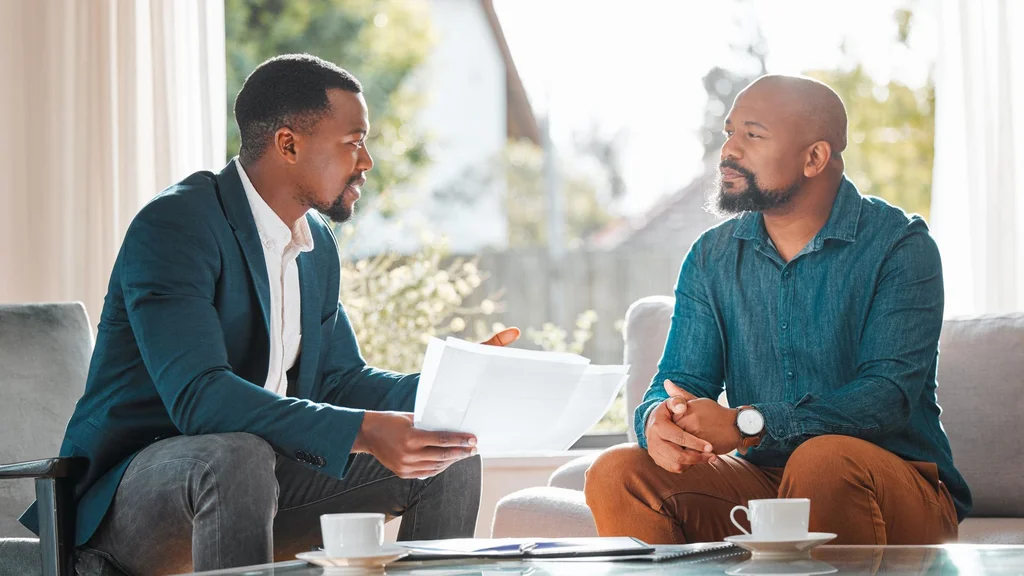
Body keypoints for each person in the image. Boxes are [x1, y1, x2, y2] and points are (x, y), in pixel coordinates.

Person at [18, 53, 520, 575]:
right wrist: (366, 432)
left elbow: (340, 380)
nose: (366, 160)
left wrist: (457, 384)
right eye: (352, 141)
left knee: (444, 458)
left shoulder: (314, 245)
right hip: (129, 501)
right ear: (288, 144)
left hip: (252, 485)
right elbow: (200, 397)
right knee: (237, 456)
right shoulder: (177, 225)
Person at [584, 75, 969, 546]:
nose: (729, 150)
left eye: (753, 134)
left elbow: (886, 397)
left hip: (892, 483)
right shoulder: (712, 256)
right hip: (761, 485)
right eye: (729, 133)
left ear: (814, 157)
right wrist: (658, 423)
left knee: (821, 461)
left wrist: (748, 423)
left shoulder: (900, 245)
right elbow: (676, 382)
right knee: (617, 471)